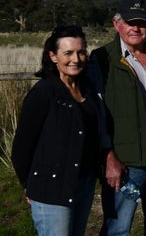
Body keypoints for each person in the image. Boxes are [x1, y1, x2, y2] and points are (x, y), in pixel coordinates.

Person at [90, 0, 146, 236]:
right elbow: (96, 115)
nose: (136, 28)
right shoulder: (102, 60)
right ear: (116, 23)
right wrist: (108, 156)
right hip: (125, 158)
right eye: (130, 22)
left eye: (141, 22)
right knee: (119, 223)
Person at [12, 25, 100, 236]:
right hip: (51, 189)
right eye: (68, 53)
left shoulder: (87, 89)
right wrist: (30, 185)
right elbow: (21, 149)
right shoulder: (43, 94)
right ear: (53, 56)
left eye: (81, 52)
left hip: (83, 184)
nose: (76, 59)